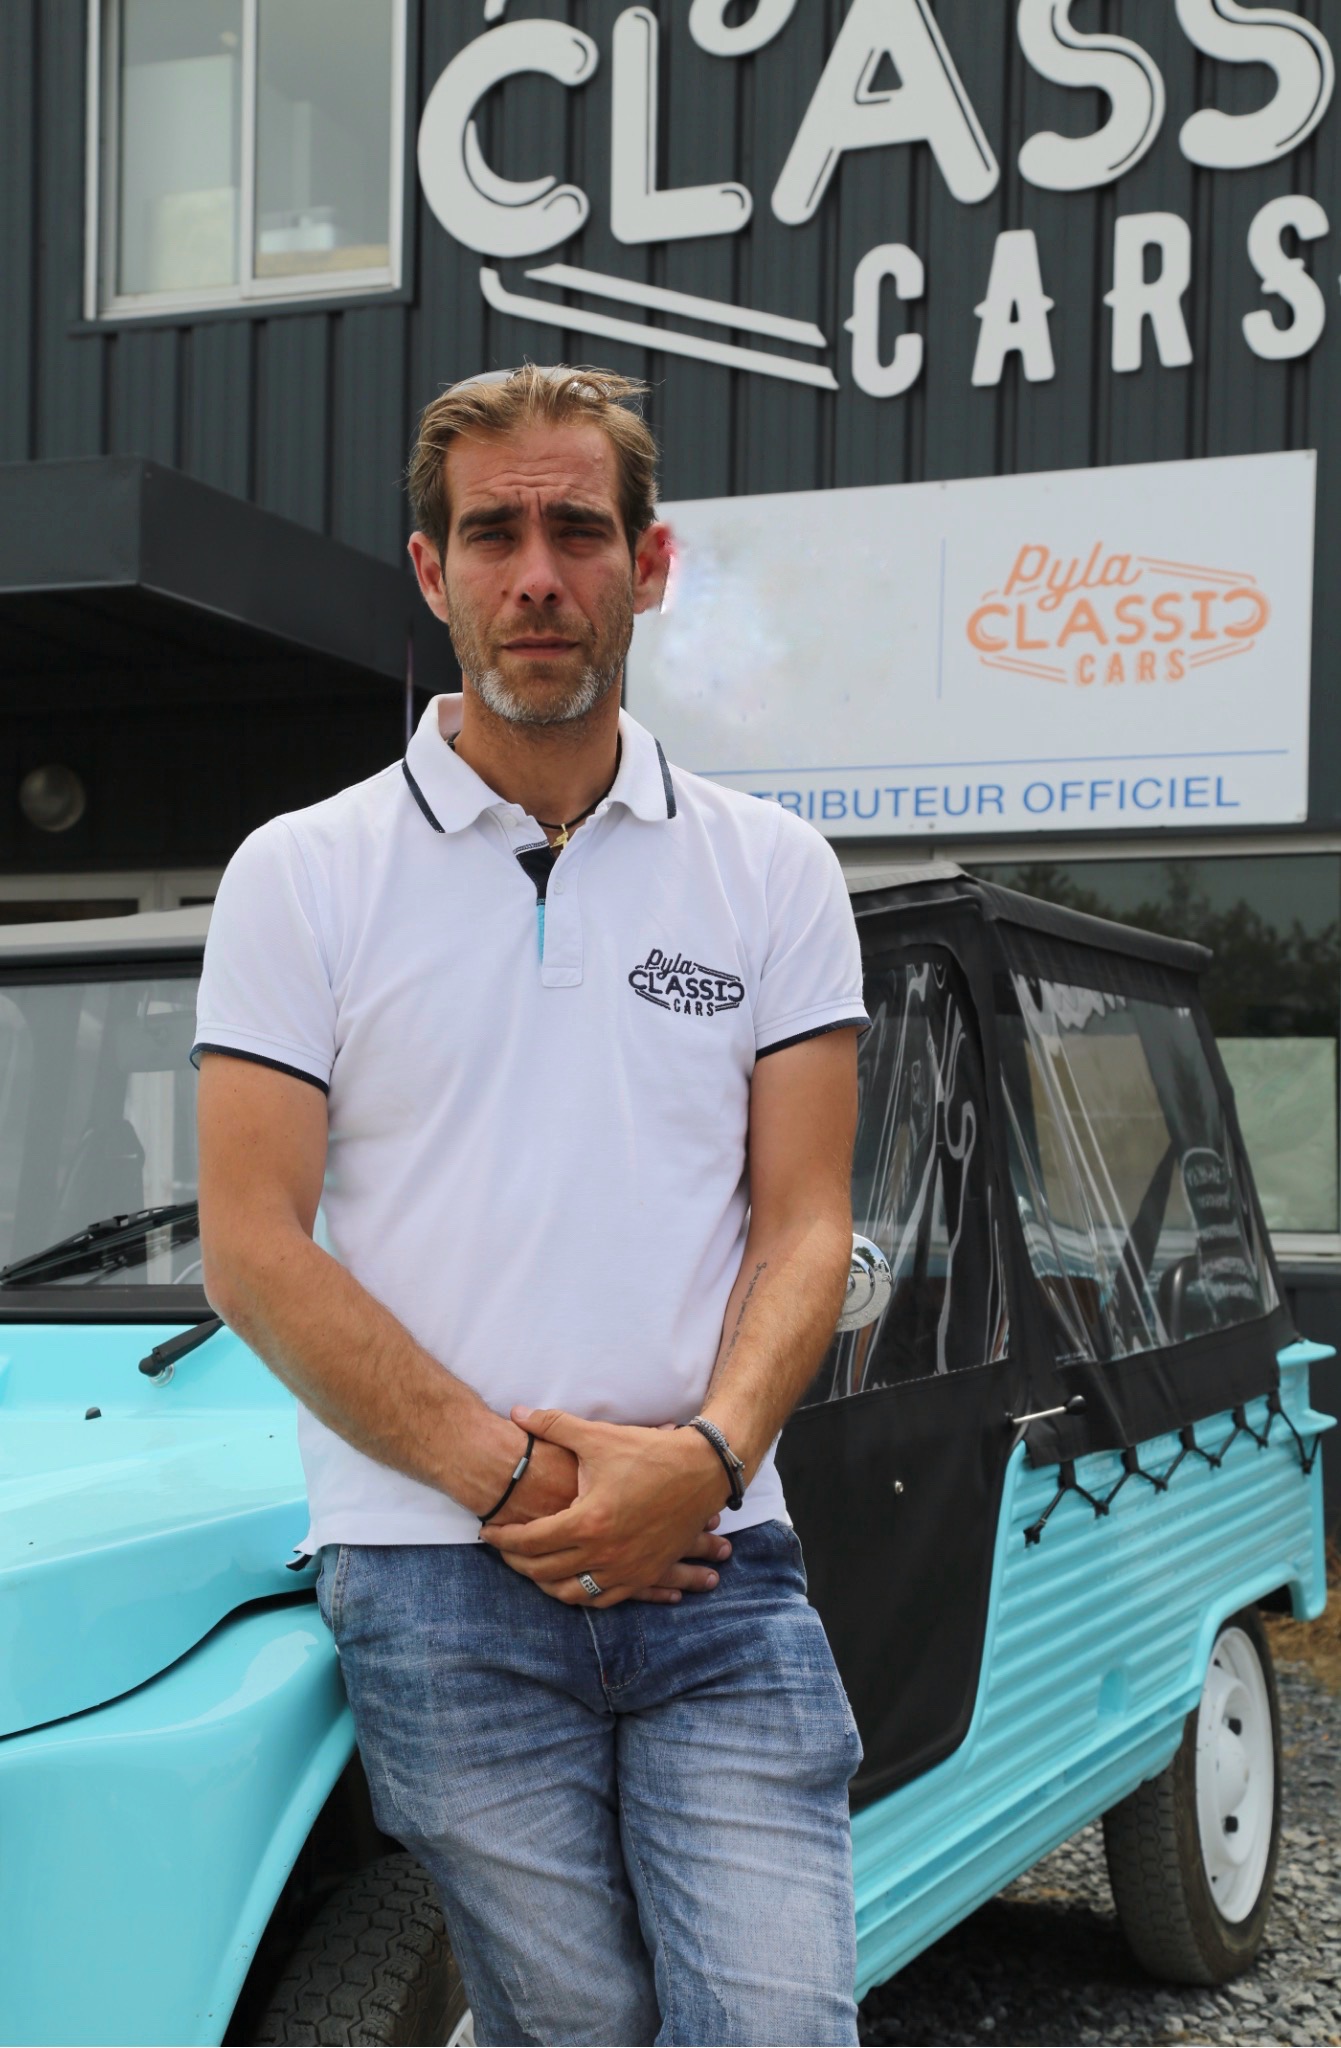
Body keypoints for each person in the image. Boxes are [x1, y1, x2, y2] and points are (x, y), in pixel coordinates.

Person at [194, 364, 869, 2047]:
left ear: (650, 564)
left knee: (779, 2024)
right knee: (569, 2026)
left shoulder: (772, 871)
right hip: (435, 1567)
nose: (537, 574)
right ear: (430, 572)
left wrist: (699, 1464)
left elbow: (804, 1226)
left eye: (579, 528)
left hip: (718, 1559)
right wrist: (525, 1486)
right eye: (491, 532)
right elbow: (253, 1248)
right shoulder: (302, 872)